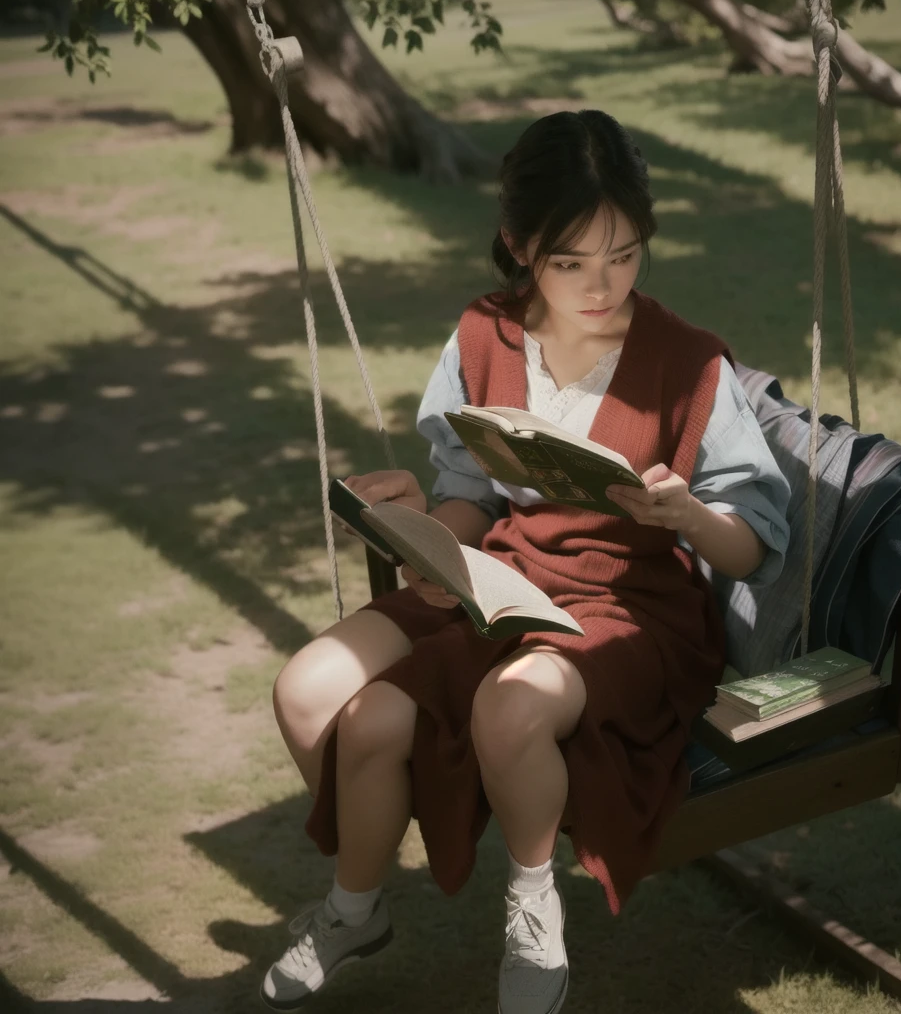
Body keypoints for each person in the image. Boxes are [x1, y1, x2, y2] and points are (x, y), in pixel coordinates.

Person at [261, 110, 791, 1014]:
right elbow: (468, 493)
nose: (602, 285)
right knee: (320, 695)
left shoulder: (689, 362)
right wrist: (429, 536)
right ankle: (357, 907)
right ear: (518, 246)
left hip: (635, 606)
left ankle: (532, 909)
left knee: (508, 709)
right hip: (509, 576)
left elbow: (755, 545)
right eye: (571, 262)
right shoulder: (484, 336)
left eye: (624, 255)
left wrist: (690, 513)